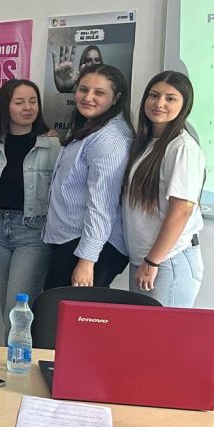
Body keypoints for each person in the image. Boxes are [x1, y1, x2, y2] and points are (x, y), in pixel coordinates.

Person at [0, 80, 60, 343]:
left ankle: (15, 361)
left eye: (33, 101)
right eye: (19, 102)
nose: (28, 107)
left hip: (32, 232)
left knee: (17, 307)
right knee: (7, 305)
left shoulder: (52, 146)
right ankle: (17, 358)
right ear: (6, 107)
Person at [44, 64, 133, 288]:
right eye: (83, 89)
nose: (88, 97)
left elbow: (102, 205)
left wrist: (87, 260)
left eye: (99, 92)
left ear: (116, 98)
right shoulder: (89, 126)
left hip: (88, 246)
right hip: (70, 239)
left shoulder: (110, 139)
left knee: (62, 309)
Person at [123, 71, 205, 307]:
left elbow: (182, 210)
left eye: (170, 98)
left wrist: (153, 261)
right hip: (147, 260)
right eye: (154, 95)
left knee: (162, 331)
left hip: (167, 261)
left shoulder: (183, 148)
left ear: (184, 105)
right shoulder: (148, 143)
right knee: (143, 329)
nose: (159, 103)